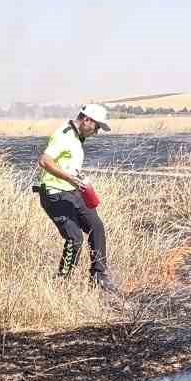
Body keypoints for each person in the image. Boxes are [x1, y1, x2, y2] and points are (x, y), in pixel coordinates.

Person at [34, 103, 115, 288]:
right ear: (86, 120)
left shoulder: (77, 137)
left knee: (97, 227)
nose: (97, 132)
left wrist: (78, 179)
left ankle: (99, 277)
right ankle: (62, 281)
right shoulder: (64, 135)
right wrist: (69, 178)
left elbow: (66, 164)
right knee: (74, 238)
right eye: (97, 127)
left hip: (72, 191)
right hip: (54, 194)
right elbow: (44, 161)